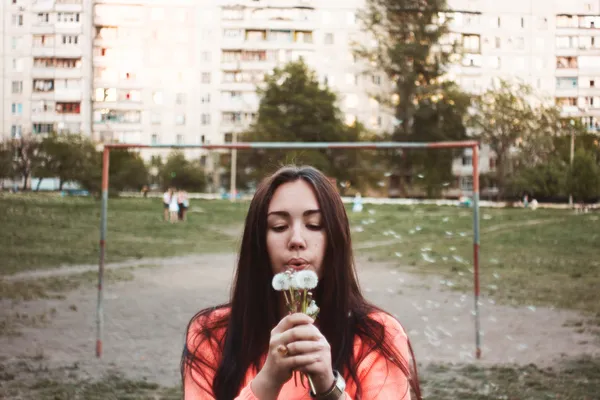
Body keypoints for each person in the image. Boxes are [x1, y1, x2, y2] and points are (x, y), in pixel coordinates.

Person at [181, 166, 421, 400]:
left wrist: (328, 388)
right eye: (279, 226)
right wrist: (268, 381)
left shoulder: (376, 336)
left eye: (314, 225)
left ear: (336, 239)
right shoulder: (212, 334)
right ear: (258, 242)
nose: (296, 240)